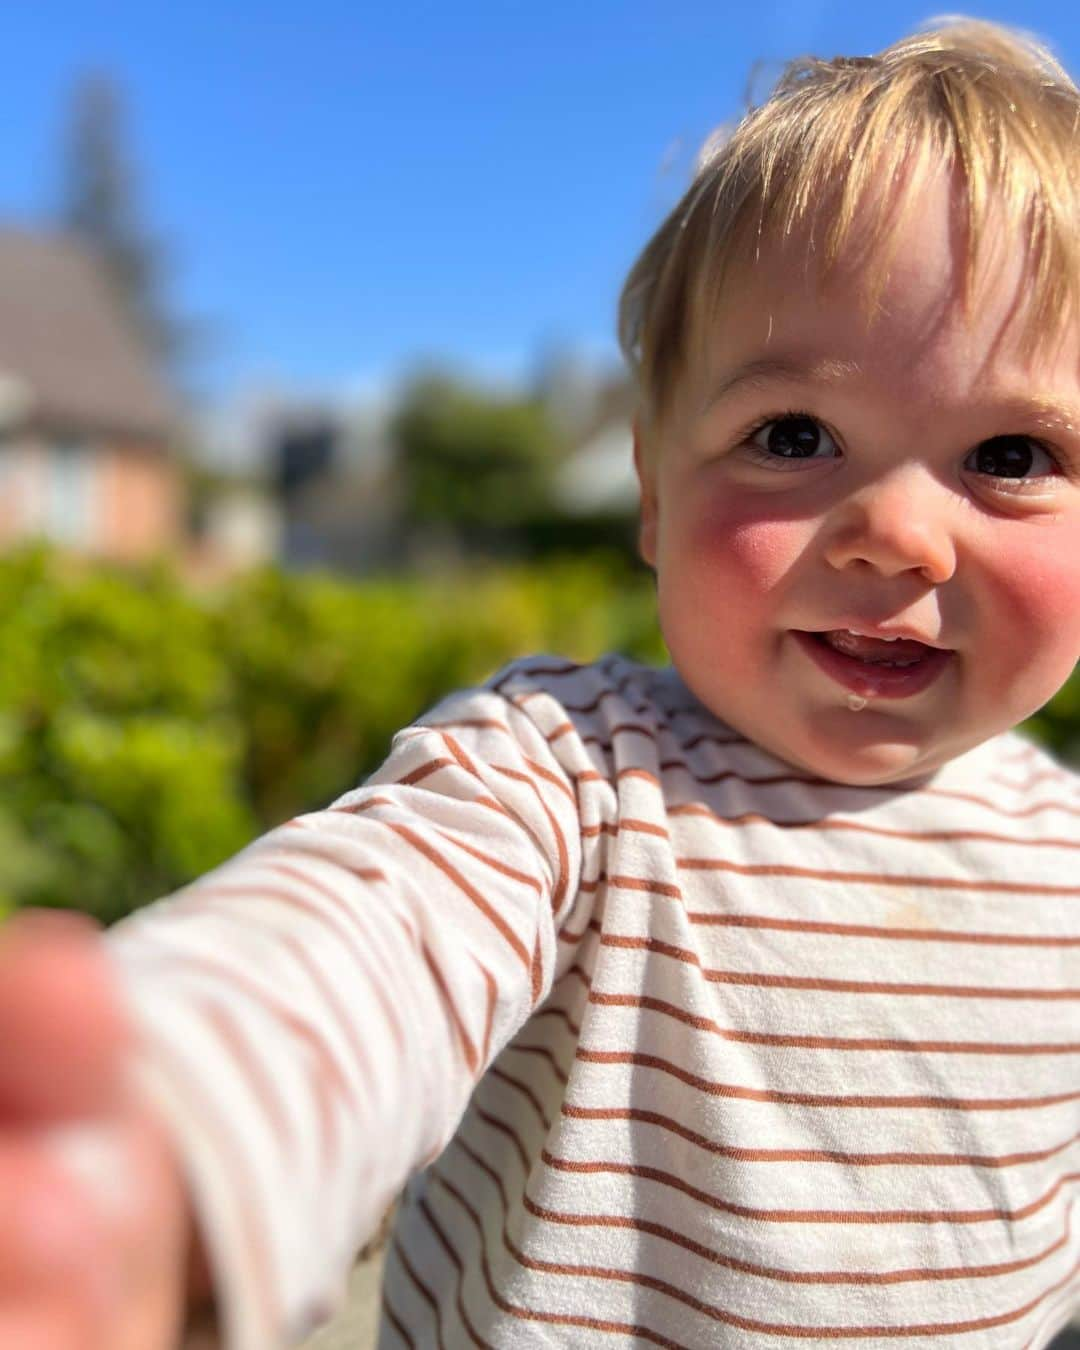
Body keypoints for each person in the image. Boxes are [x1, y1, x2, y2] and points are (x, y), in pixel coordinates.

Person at [2, 16, 1080, 1350]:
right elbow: (373, 935)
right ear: (652, 489)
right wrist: (173, 1146)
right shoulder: (573, 773)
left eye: (1013, 454)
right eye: (793, 435)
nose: (899, 534)